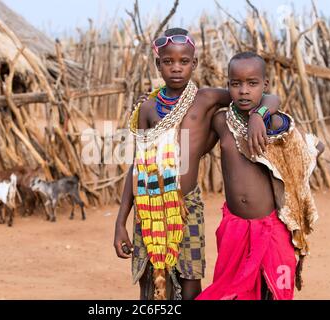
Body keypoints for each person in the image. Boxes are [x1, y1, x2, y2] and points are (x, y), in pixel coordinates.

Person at [113, 28, 281, 300]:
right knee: (152, 281)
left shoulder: (206, 99)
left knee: (191, 281)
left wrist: (259, 116)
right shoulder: (149, 108)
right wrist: (121, 221)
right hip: (150, 204)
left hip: (187, 205)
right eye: (168, 62)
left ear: (195, 63)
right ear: (158, 64)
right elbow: (138, 166)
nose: (176, 68)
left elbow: (266, 96)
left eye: (184, 61)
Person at [196, 52, 325, 300]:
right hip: (234, 227)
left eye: (252, 83)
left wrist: (260, 115)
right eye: (236, 84)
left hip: (271, 227)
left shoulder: (275, 123)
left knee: (274, 291)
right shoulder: (221, 121)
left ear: (264, 85)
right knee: (230, 290)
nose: (244, 91)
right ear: (229, 85)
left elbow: (313, 147)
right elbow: (196, 148)